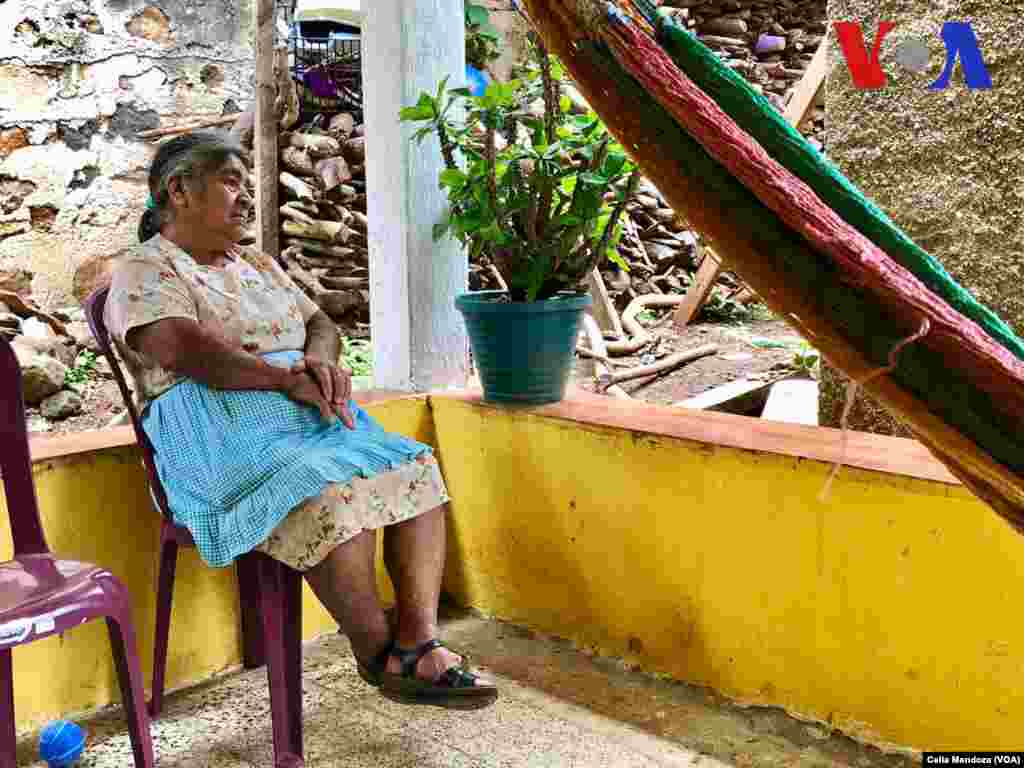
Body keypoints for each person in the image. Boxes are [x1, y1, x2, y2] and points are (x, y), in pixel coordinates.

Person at [105, 131, 497, 708]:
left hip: (306, 416)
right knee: (327, 491)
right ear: (180, 191)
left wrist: (319, 364)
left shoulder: (256, 261)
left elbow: (322, 324)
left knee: (415, 468)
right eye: (231, 182)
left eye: (245, 183)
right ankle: (376, 653)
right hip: (218, 431)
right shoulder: (145, 269)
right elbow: (184, 349)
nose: (245, 197)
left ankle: (415, 643)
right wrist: (286, 379)